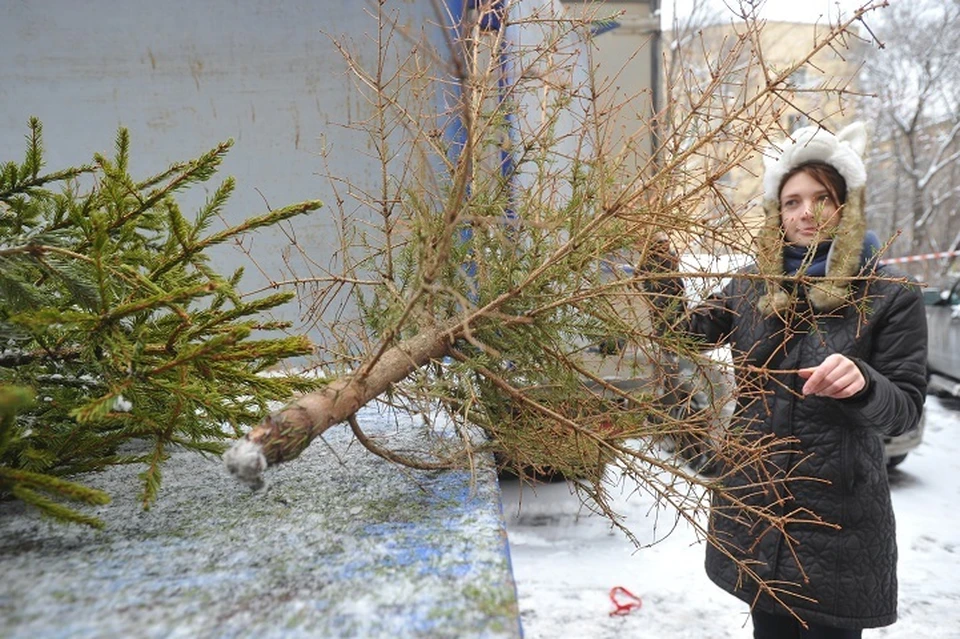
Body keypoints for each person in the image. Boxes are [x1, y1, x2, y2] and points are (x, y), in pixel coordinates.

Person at [646, 122, 928, 638]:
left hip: (835, 517)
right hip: (756, 501)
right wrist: (658, 274)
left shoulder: (889, 293)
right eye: (792, 201)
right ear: (777, 213)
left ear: (845, 205)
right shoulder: (751, 285)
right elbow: (686, 335)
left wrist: (863, 382)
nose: (806, 212)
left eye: (821, 198)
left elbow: (905, 408)